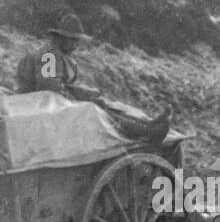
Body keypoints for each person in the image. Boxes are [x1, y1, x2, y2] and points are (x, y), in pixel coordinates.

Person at [14, 14, 170, 143]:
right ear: (61, 38)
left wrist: (83, 95)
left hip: (49, 99)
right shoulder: (49, 55)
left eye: (77, 40)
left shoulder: (62, 53)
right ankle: (145, 131)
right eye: (72, 39)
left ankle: (147, 125)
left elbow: (61, 84)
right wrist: (74, 101)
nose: (76, 44)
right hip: (36, 103)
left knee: (99, 102)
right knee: (92, 110)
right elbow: (49, 86)